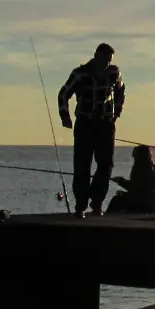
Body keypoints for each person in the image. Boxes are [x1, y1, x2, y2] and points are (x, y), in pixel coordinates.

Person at [57, 43, 126, 217]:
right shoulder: (80, 74)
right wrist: (65, 116)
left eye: (109, 61)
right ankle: (80, 205)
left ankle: (97, 203)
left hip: (105, 124)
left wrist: (117, 111)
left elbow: (121, 89)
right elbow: (64, 93)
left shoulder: (114, 73)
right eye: (104, 59)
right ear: (96, 56)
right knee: (82, 165)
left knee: (105, 164)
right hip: (85, 124)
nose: (106, 64)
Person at [106, 143, 155, 213]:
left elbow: (135, 188)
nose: (134, 158)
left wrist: (121, 182)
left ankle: (107, 217)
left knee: (116, 200)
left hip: (141, 205)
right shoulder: (152, 169)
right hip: (150, 205)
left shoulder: (139, 169)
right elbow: (140, 188)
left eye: (135, 156)